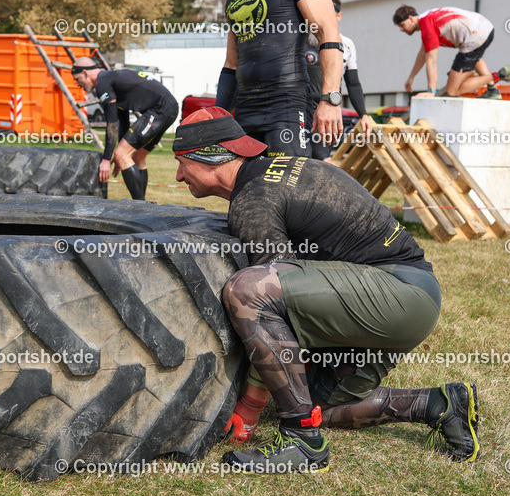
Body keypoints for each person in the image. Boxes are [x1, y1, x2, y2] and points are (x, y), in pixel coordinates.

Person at [173, 107, 480, 473]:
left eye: (181, 163)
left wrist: (250, 406)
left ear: (208, 158)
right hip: (408, 297)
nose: (177, 176)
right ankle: (439, 405)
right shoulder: (276, 170)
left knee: (247, 290)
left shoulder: (253, 200)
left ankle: (302, 441)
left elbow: (270, 303)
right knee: (321, 403)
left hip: (398, 294)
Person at [217, 0, 343, 158]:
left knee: (288, 188)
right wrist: (216, 117)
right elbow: (231, 65)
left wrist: (330, 99)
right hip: (245, 110)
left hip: (285, 105)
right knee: (246, 191)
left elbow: (329, 35)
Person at [71, 58, 177, 199]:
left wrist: (107, 159)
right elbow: (122, 121)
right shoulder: (111, 78)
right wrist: (122, 151)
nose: (78, 85)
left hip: (160, 109)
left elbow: (112, 123)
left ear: (85, 73)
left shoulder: (103, 83)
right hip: (169, 107)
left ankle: (139, 206)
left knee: (122, 154)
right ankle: (142, 204)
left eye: (78, 79)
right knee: (137, 156)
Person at [393, 4, 510, 100]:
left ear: (410, 18)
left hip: (474, 36)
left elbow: (431, 60)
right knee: (475, 58)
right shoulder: (428, 17)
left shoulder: (427, 25)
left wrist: (431, 91)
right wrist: (411, 77)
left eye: (402, 25)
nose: (401, 29)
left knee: (452, 89)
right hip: (486, 28)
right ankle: (492, 90)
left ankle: (500, 75)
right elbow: (423, 54)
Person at [306, 0, 373, 161]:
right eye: (321, 12)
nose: (325, 17)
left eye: (331, 12)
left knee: (323, 161)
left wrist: (363, 114)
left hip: (327, 109)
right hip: (300, 108)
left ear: (339, 16)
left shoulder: (347, 44)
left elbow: (353, 83)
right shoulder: (303, 39)